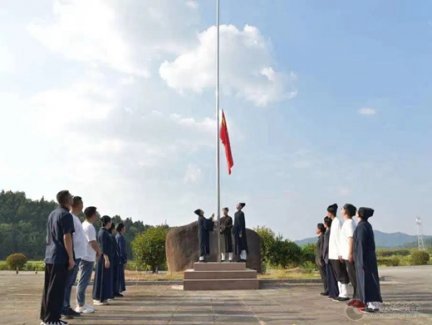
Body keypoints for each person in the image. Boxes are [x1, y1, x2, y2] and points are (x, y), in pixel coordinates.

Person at [40, 190, 75, 325]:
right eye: (71, 197)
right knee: (57, 290)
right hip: (60, 257)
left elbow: (48, 236)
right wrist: (71, 258)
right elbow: (67, 237)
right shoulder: (66, 215)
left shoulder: (53, 214)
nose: (72, 198)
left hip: (50, 255)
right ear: (66, 200)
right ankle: (52, 320)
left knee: (48, 289)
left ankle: (45, 317)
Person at [354, 207, 383, 312]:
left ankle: (372, 305)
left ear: (360, 214)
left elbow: (361, 244)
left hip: (364, 258)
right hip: (367, 257)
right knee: (370, 280)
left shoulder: (362, 226)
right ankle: (371, 304)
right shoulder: (365, 225)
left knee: (367, 281)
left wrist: (360, 260)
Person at [62, 196, 86, 319]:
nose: (83, 205)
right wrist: (71, 256)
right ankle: (64, 308)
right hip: (74, 255)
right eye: (82, 203)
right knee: (67, 283)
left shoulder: (76, 219)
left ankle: (66, 306)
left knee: (70, 283)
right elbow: (69, 237)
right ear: (78, 204)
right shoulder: (70, 217)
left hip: (78, 255)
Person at [75, 206, 100, 314]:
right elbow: (92, 242)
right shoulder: (89, 227)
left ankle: (81, 303)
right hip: (87, 257)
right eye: (96, 213)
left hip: (85, 256)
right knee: (83, 282)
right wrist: (99, 252)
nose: (97, 215)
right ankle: (80, 305)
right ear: (93, 215)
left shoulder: (84, 224)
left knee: (83, 281)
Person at [327, 203, 350, 301]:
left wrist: (340, 253)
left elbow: (340, 239)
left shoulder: (338, 222)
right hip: (333, 254)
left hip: (337, 254)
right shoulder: (334, 222)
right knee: (337, 274)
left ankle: (344, 293)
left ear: (329, 212)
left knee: (341, 273)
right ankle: (340, 293)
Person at [93, 215, 114, 305]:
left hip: (106, 257)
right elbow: (103, 247)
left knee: (105, 278)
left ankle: (104, 297)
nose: (111, 223)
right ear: (107, 222)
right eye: (110, 222)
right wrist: (106, 259)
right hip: (104, 258)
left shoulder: (105, 232)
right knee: (102, 278)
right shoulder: (102, 232)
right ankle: (99, 298)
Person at [341, 204, 358, 306]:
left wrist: (350, 254)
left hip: (349, 254)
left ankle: (358, 298)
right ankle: (356, 297)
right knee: (352, 277)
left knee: (354, 277)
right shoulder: (347, 223)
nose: (341, 210)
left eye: (342, 209)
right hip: (347, 254)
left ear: (346, 211)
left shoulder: (349, 223)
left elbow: (351, 238)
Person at [323, 216, 338, 298]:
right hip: (328, 256)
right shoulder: (329, 231)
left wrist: (324, 254)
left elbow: (326, 246)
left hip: (328, 256)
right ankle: (331, 291)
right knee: (330, 276)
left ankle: (334, 292)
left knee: (331, 276)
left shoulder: (328, 232)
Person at [109, 223, 121, 298]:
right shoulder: (111, 237)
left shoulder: (112, 236)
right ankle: (112, 292)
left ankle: (113, 292)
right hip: (113, 259)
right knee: (114, 277)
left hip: (113, 259)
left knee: (113, 277)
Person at [315, 222, 327, 295]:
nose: (316, 229)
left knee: (324, 276)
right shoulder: (320, 237)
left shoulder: (322, 237)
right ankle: (326, 289)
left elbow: (322, 249)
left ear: (320, 229)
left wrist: (321, 259)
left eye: (317, 228)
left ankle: (327, 289)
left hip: (321, 260)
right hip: (319, 260)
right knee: (323, 276)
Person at [116, 223, 127, 295]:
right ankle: (118, 290)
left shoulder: (117, 236)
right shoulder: (120, 237)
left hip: (118, 258)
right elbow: (121, 249)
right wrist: (124, 258)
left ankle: (117, 290)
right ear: (122, 228)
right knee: (119, 275)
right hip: (120, 259)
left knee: (118, 275)